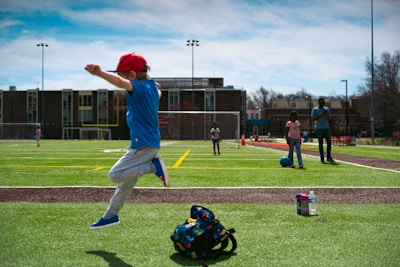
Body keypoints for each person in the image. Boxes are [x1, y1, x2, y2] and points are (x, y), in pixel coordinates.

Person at [85, 52, 170, 230]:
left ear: (132, 76)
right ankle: (111, 215)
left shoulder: (139, 88)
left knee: (115, 175)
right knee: (124, 185)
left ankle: (154, 167)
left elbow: (123, 83)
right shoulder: (152, 88)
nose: (121, 80)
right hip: (148, 143)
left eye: (122, 75)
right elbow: (157, 89)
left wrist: (99, 73)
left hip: (143, 145)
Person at [311, 98, 335, 163]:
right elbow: (312, 118)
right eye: (321, 103)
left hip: (326, 128)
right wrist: (320, 115)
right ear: (318, 103)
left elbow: (330, 118)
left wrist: (327, 115)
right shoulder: (315, 109)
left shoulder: (326, 109)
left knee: (329, 143)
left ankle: (328, 157)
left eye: (323, 103)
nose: (322, 104)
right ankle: (322, 157)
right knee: (320, 143)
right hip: (319, 128)